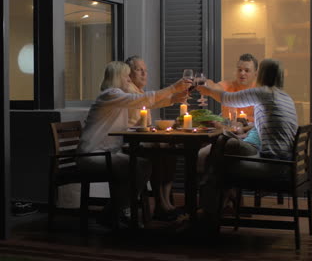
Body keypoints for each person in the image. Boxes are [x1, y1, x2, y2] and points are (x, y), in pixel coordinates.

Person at [76, 61, 190, 225]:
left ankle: (114, 211)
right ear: (117, 77)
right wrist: (173, 88)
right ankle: (118, 210)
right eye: (126, 76)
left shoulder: (116, 97)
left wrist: (173, 99)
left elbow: (145, 102)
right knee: (141, 166)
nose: (129, 79)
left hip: (107, 153)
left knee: (142, 165)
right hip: (93, 156)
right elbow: (141, 99)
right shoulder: (110, 94)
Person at [195, 58, 298, 234]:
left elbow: (228, 99)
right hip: (284, 162)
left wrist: (205, 90)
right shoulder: (284, 96)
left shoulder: (265, 93)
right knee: (225, 148)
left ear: (262, 74)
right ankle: (217, 204)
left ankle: (209, 207)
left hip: (272, 165)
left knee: (222, 149)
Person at [125, 55, 179, 220]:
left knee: (170, 149)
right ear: (129, 74)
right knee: (157, 151)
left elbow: (152, 102)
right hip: (128, 142)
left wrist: (174, 99)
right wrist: (173, 90)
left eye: (145, 70)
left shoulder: (139, 91)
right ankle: (161, 204)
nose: (144, 73)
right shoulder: (128, 90)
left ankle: (165, 201)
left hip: (141, 140)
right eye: (139, 70)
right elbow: (150, 100)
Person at [197, 53, 260, 178]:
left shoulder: (259, 91)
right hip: (224, 135)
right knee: (202, 154)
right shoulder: (228, 86)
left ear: (255, 74)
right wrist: (205, 83)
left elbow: (260, 125)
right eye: (240, 69)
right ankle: (211, 189)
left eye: (247, 70)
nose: (242, 73)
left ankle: (217, 188)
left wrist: (243, 127)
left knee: (211, 155)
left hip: (247, 140)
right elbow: (214, 86)